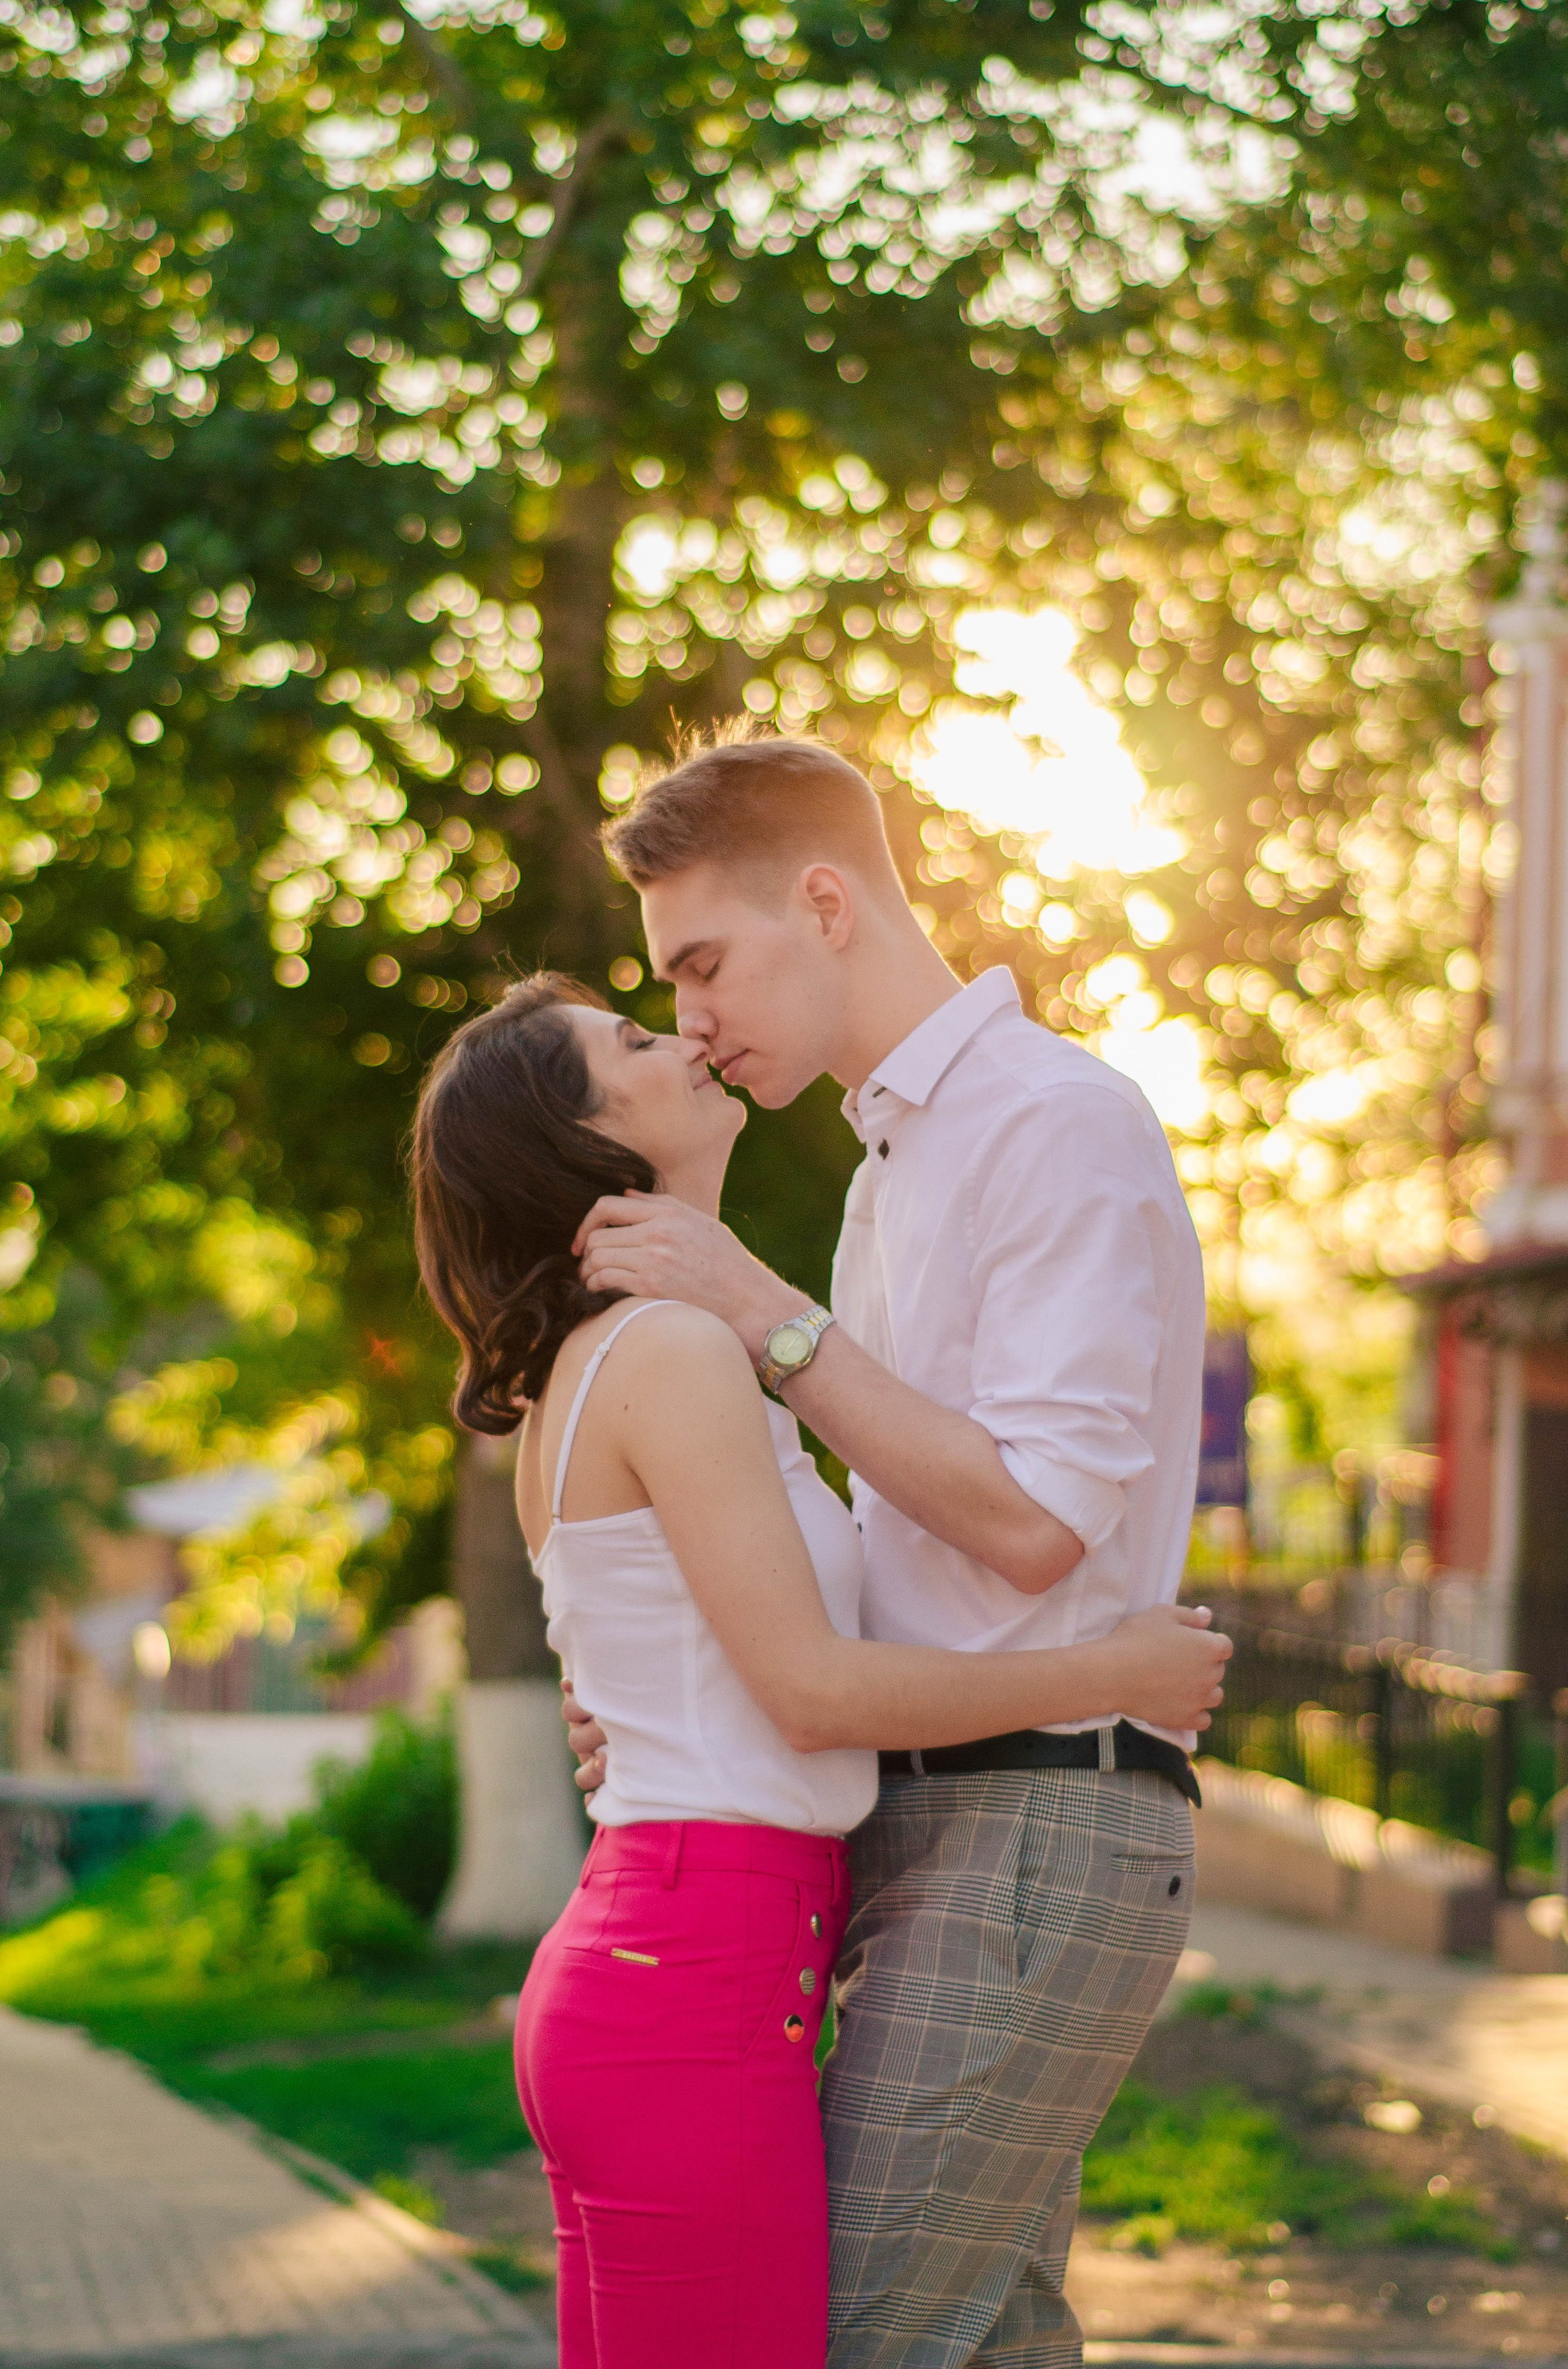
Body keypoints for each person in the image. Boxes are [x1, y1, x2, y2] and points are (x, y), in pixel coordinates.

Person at [412, 972, 1229, 2369]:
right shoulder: (666, 1351)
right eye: (631, 1038)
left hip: (671, 1951)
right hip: (691, 1969)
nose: (680, 1033)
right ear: (585, 1145)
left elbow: (695, 1662)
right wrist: (1111, 1668)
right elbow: (811, 1691)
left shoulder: (619, 1361)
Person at [566, 729, 1212, 2369]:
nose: (690, 1019)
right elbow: (886, 1546)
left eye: (701, 963)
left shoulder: (1051, 1124)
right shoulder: (885, 1167)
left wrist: (759, 1311)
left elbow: (1022, 1520)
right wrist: (670, 1693)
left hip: (1034, 1820)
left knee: (851, 2336)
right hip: (922, 1815)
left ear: (826, 899)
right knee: (990, 2339)